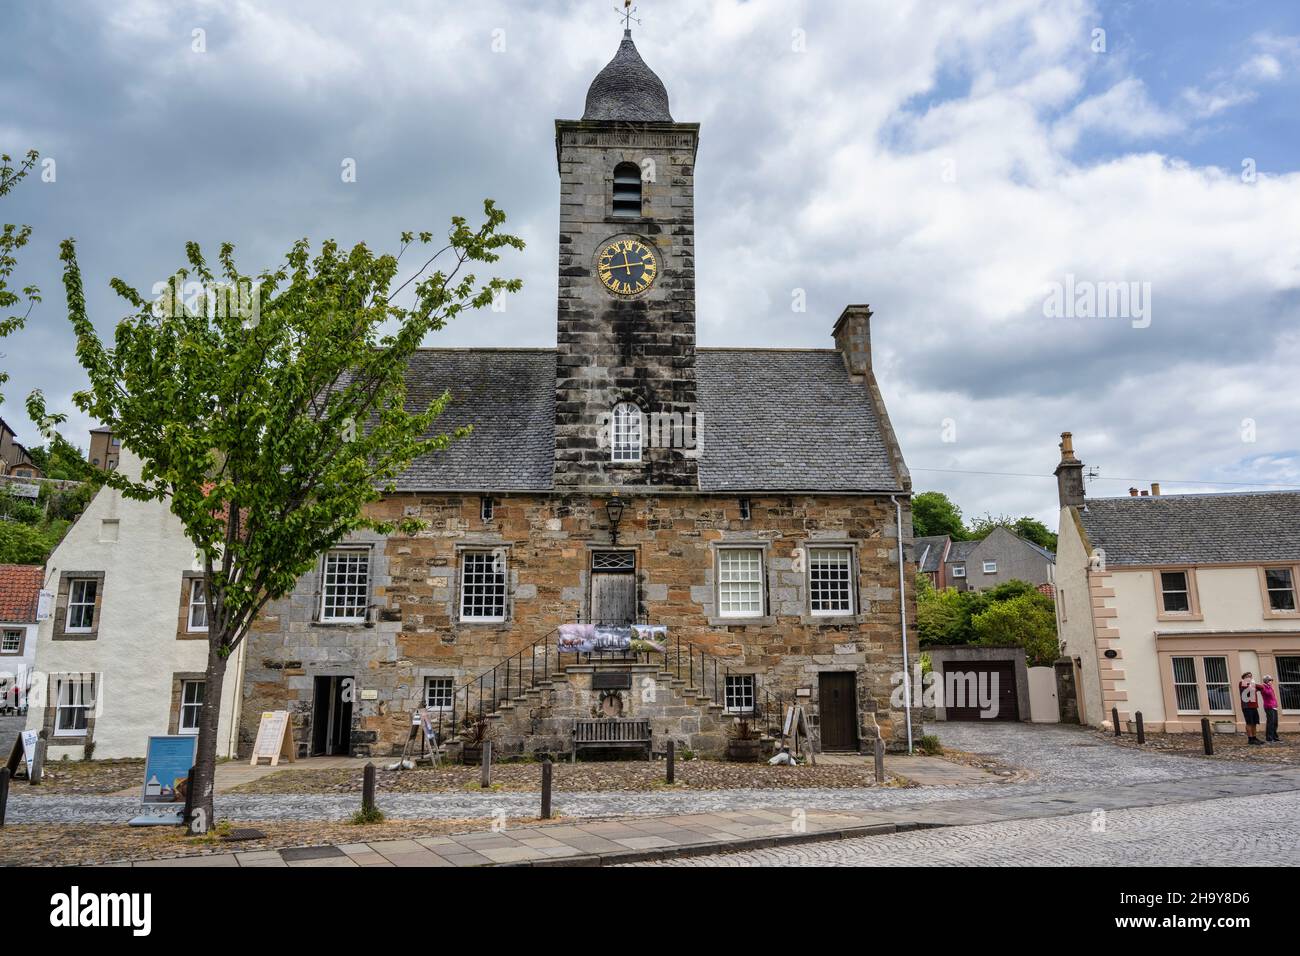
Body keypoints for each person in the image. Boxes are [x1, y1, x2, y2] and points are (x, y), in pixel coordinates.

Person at [1240, 672, 1262, 745]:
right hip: (1247, 706)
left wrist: (1253, 684)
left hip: (1254, 706)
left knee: (1254, 723)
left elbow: (1262, 687)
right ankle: (1250, 739)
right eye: (1248, 676)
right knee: (1249, 723)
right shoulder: (1242, 683)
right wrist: (1253, 685)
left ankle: (1254, 737)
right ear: (1244, 678)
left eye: (1251, 676)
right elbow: (1249, 689)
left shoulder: (1252, 684)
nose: (1250, 677)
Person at [1258, 675, 1282, 743]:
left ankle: (1275, 737)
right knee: (1270, 722)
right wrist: (1267, 686)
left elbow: (1273, 696)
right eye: (1270, 680)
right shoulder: (1264, 687)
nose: (1271, 681)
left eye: (1271, 680)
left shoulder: (1270, 687)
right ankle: (1269, 738)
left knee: (1275, 723)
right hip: (1268, 706)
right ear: (1266, 681)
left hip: (1274, 706)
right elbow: (1267, 693)